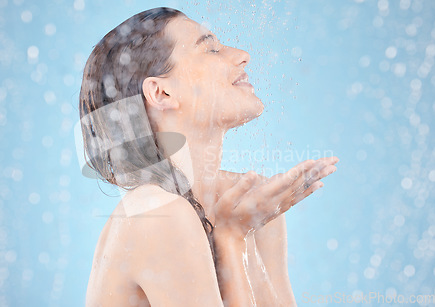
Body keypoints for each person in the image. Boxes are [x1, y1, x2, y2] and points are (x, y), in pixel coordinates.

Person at [79, 7, 339, 306]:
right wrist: (232, 239)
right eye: (212, 49)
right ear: (162, 93)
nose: (242, 55)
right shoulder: (154, 212)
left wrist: (242, 235)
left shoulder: (250, 203)